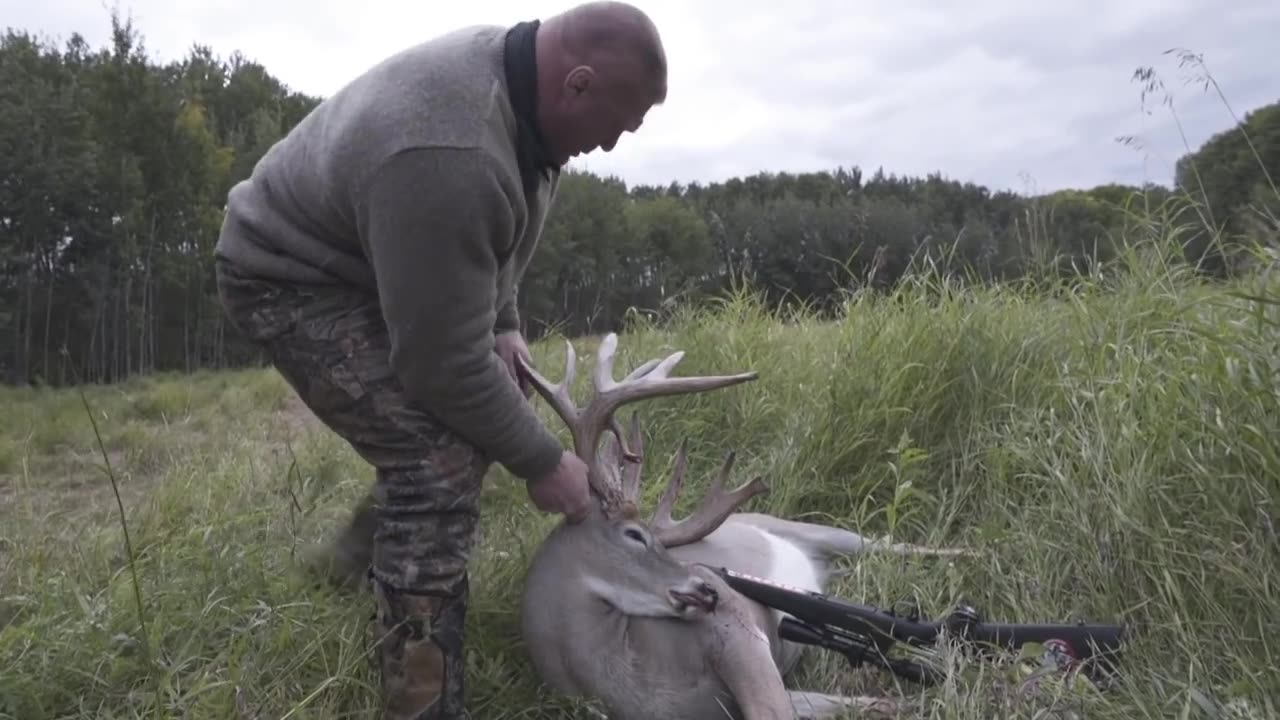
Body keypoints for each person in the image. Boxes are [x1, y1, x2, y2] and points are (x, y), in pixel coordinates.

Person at [211, 2, 667, 717]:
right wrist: (545, 464)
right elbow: (439, 366)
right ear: (576, 84)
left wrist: (506, 323)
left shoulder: (532, 111)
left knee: (475, 417)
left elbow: (492, 243)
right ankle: (422, 702)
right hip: (287, 275)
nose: (610, 147)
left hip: (370, 260)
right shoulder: (449, 151)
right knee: (440, 455)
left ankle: (358, 562)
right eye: (616, 126)